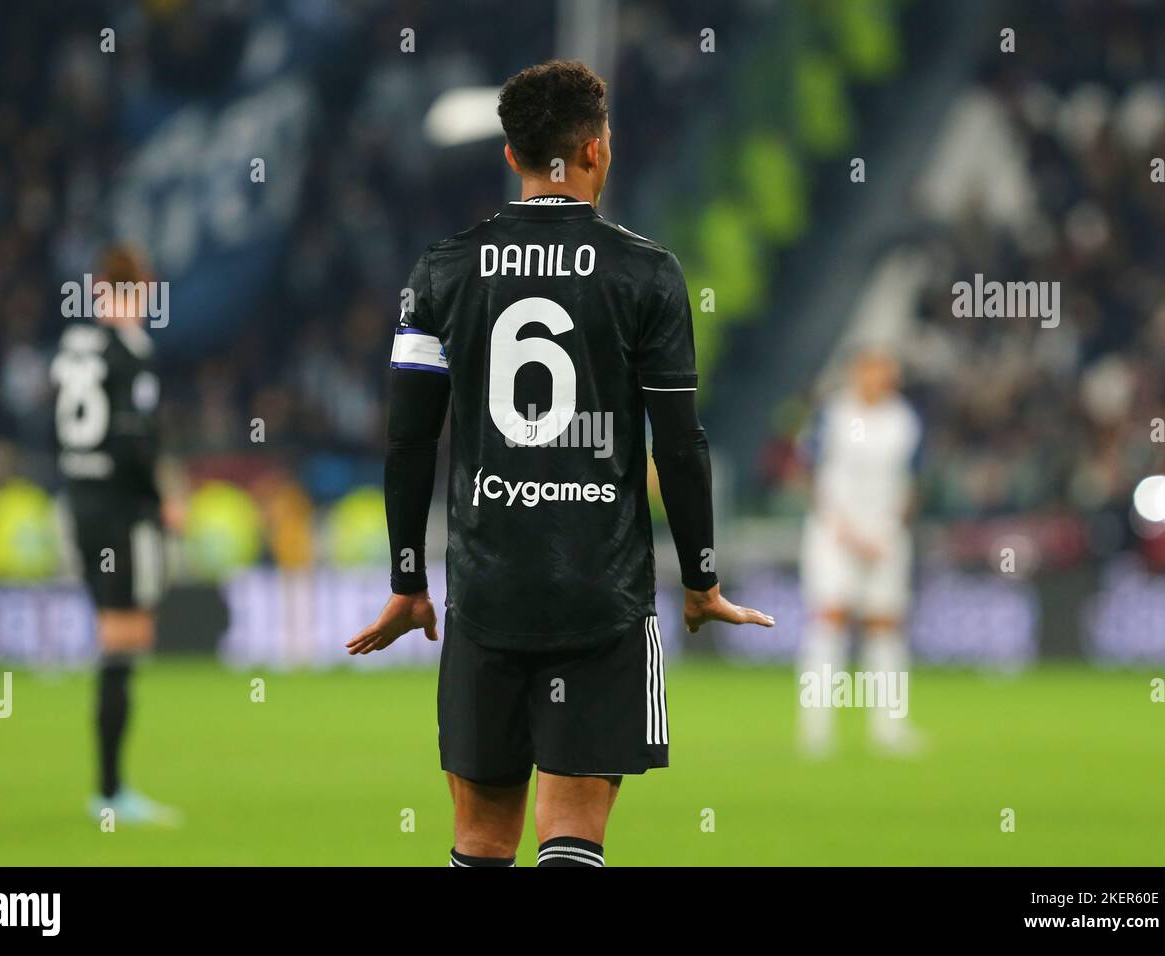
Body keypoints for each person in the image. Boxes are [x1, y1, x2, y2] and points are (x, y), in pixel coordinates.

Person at [347, 60, 772, 867]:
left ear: (511, 157)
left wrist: (408, 580)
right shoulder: (647, 272)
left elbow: (407, 438)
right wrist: (702, 576)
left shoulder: (441, 270)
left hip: (487, 592)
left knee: (479, 844)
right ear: (597, 151)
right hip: (600, 598)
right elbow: (678, 443)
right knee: (572, 838)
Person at [51, 244, 180, 825]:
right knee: (125, 639)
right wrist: (162, 501)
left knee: (116, 638)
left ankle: (109, 788)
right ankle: (109, 792)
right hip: (121, 510)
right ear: (143, 288)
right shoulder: (133, 353)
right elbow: (133, 439)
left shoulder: (71, 348)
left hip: (78, 502)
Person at [797, 349, 923, 756]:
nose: (878, 378)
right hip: (834, 534)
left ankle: (889, 728)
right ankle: (816, 728)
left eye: (885, 370)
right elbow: (811, 475)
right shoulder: (831, 415)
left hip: (885, 536)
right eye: (871, 370)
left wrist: (887, 529)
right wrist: (846, 530)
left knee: (885, 624)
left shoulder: (904, 421)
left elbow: (913, 481)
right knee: (829, 619)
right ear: (856, 373)